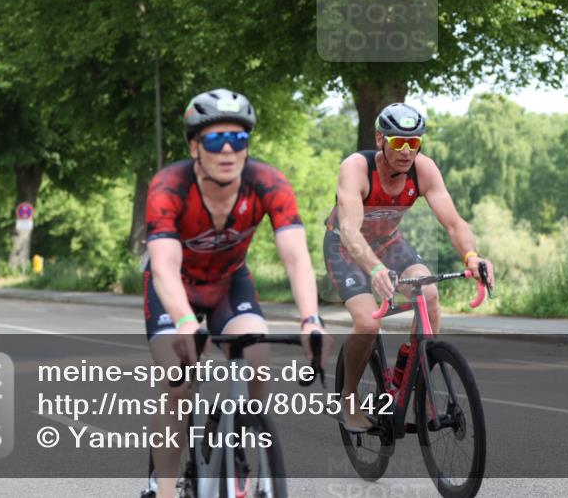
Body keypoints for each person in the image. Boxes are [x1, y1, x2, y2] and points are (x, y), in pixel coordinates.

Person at [143, 88, 327, 498]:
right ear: (195, 147)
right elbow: (164, 267)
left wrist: (311, 319)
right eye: (214, 140)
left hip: (229, 284)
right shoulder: (169, 185)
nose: (227, 150)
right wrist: (187, 323)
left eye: (238, 140)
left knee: (259, 360)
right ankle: (165, 483)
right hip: (175, 291)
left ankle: (224, 431)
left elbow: (297, 258)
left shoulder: (268, 182)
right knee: (178, 384)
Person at [324, 102, 494, 432]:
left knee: (428, 295)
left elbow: (454, 223)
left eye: (413, 142)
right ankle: (347, 397)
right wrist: (374, 270)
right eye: (398, 141)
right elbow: (349, 229)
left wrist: (472, 257)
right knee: (367, 323)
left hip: (389, 243)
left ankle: (414, 379)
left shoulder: (424, 169)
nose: (406, 151)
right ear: (379, 139)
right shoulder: (356, 168)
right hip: (346, 248)